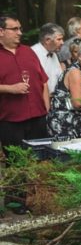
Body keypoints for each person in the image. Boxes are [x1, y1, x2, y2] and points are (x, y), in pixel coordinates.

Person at [0, 14, 50, 153]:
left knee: (41, 162)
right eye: (14, 29)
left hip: (38, 119)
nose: (20, 33)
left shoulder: (28, 52)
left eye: (20, 29)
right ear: (1, 31)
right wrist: (10, 88)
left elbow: (44, 81)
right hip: (11, 121)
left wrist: (46, 109)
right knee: (16, 165)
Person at [31, 23, 65, 93]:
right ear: (47, 40)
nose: (62, 42)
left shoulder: (53, 53)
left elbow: (59, 77)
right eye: (59, 39)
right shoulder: (33, 53)